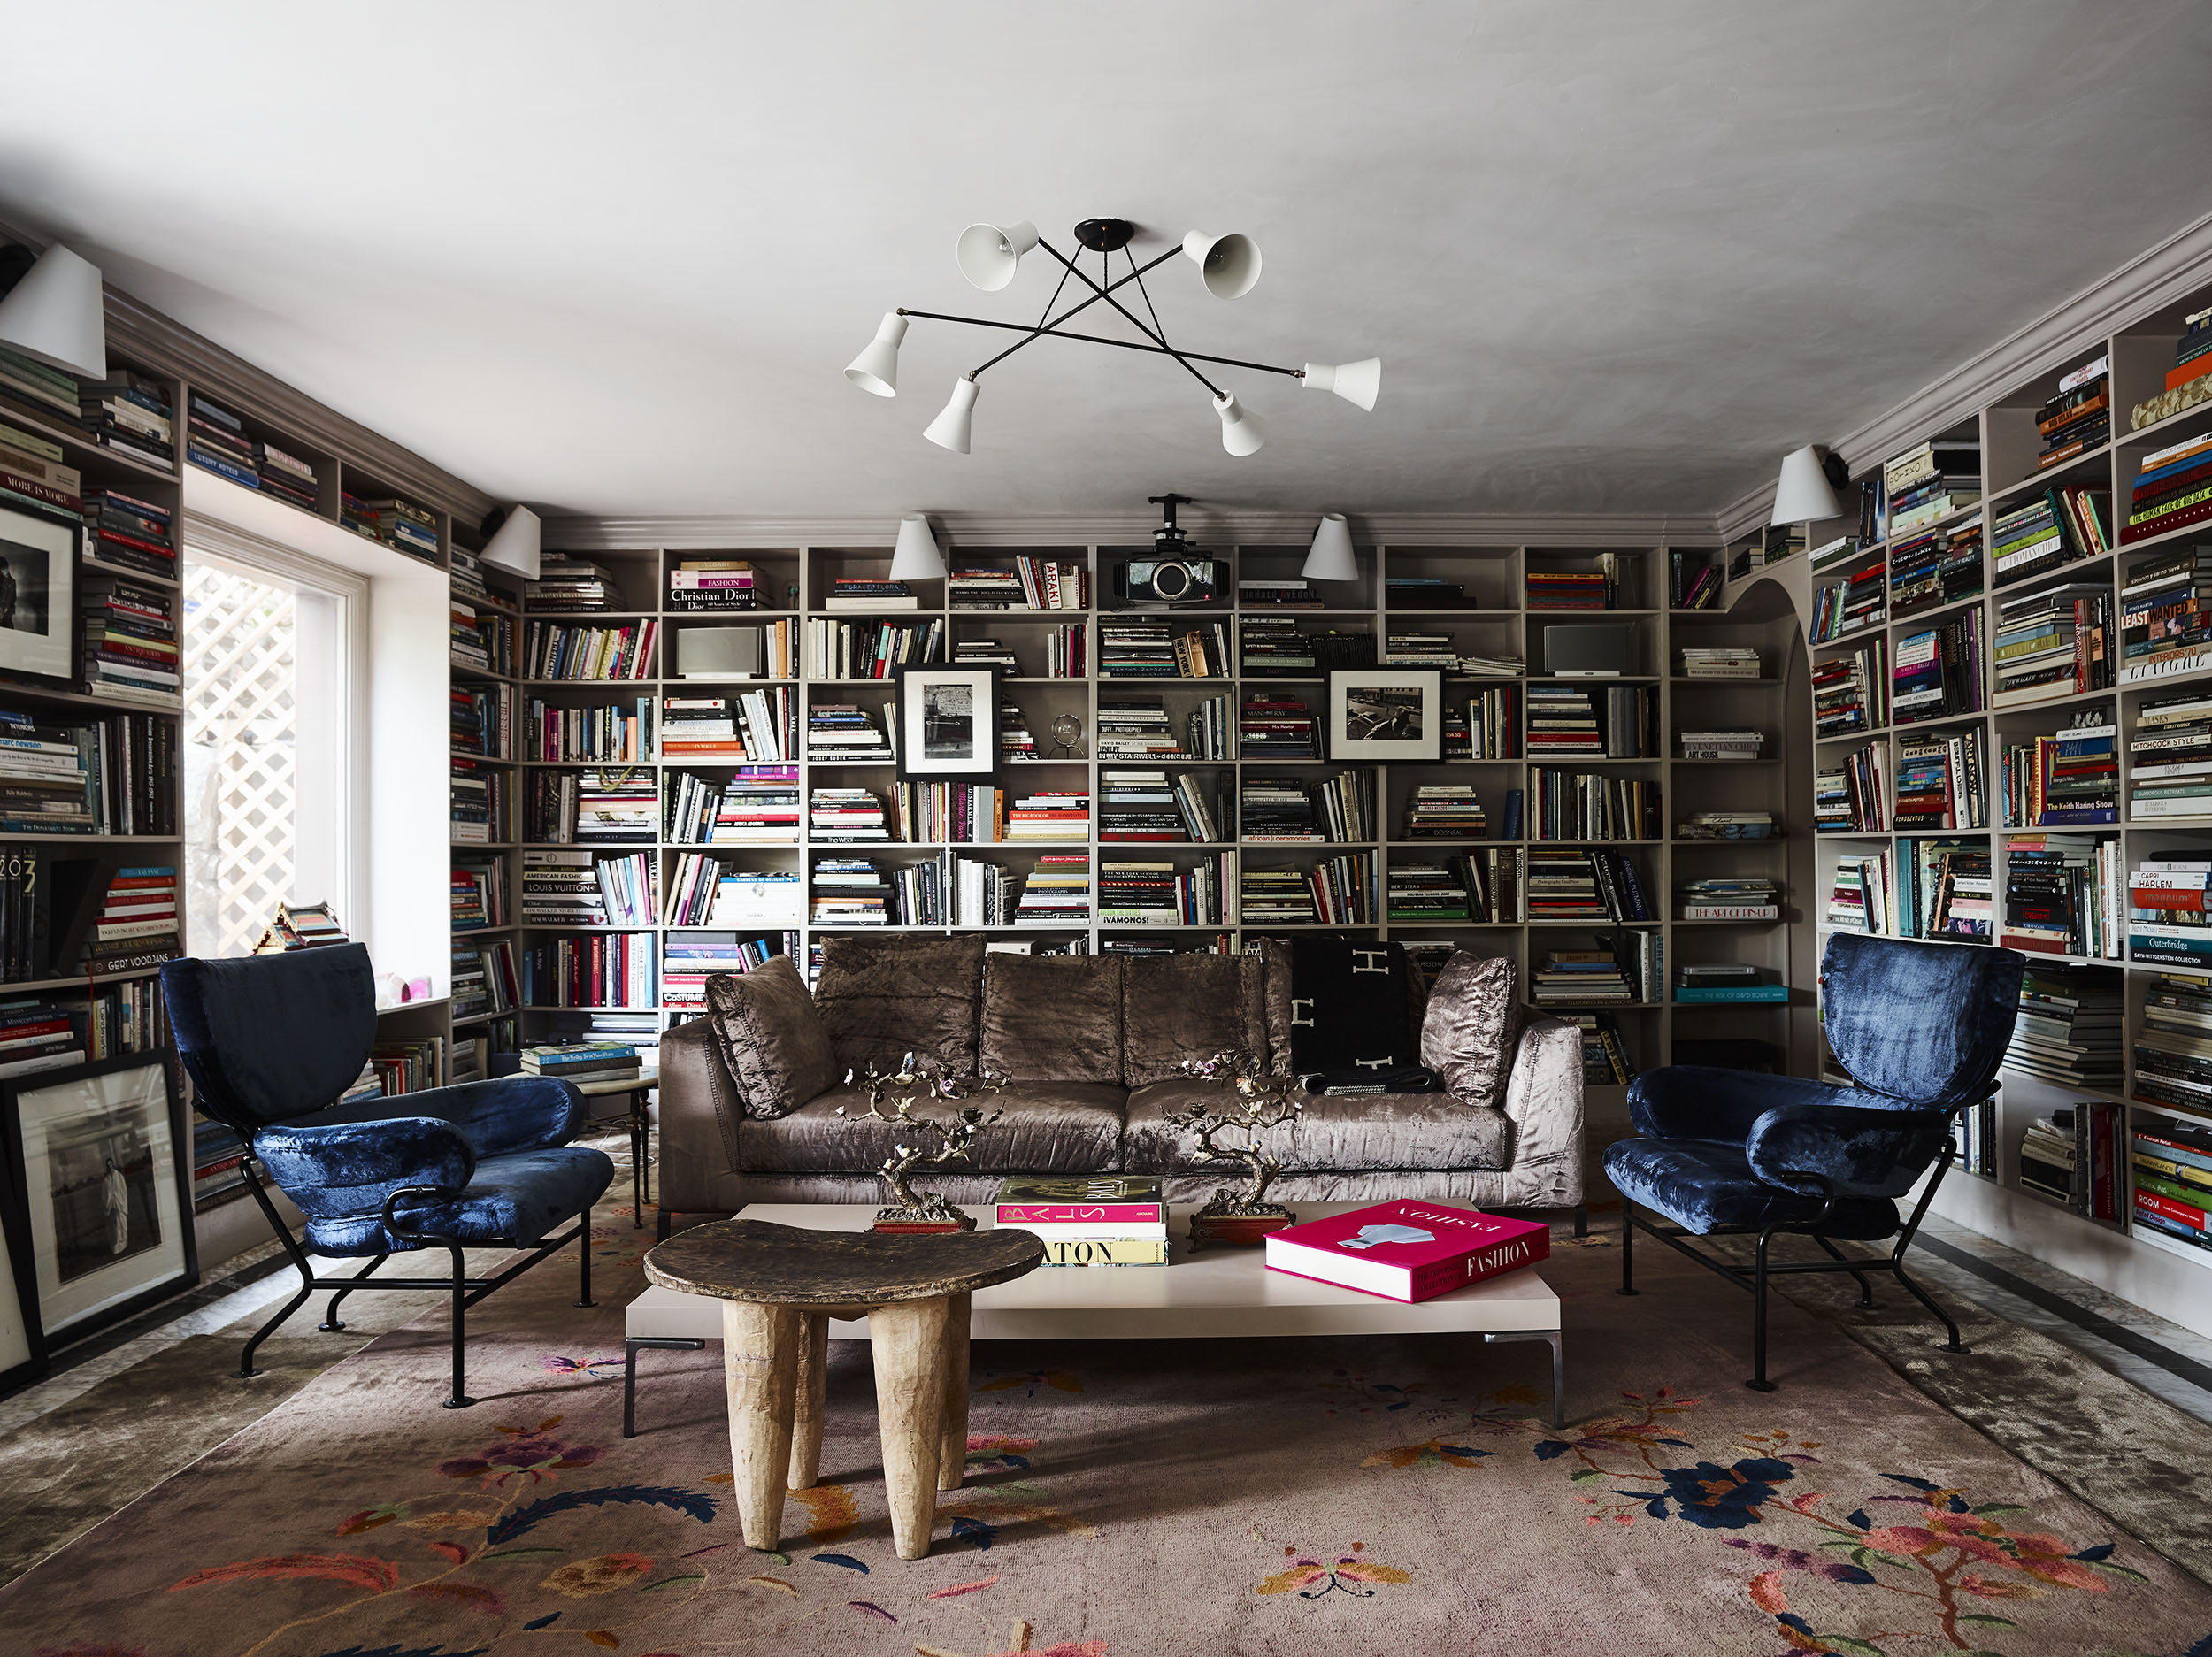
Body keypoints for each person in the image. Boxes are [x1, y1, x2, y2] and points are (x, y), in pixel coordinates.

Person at [104, 1155, 128, 1254]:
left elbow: (124, 1190)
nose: (110, 1166)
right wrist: (108, 1204)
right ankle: (117, 1245)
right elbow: (104, 1195)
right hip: (112, 1206)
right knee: (114, 1226)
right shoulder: (106, 1180)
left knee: (122, 1224)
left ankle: (124, 1243)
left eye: (111, 1164)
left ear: (113, 1164)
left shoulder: (119, 1176)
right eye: (108, 1165)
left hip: (120, 1204)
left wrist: (122, 1202)